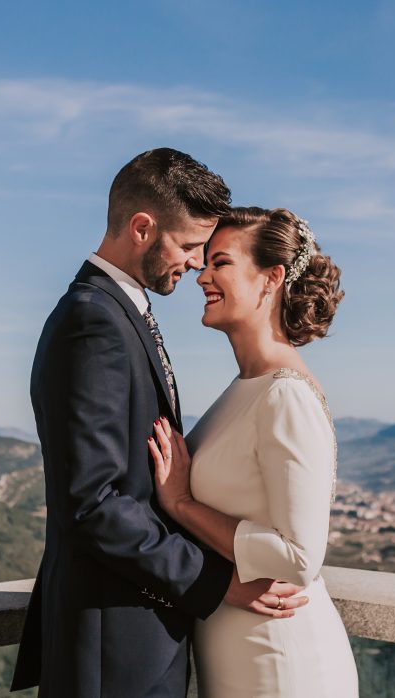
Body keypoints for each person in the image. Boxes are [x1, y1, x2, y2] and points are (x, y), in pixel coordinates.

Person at [10, 150, 308, 697]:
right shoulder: (93, 322)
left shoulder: (117, 315)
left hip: (135, 639)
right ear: (143, 228)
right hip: (113, 649)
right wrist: (219, 583)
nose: (198, 264)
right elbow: (94, 503)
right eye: (192, 246)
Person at [147, 206, 358, 697]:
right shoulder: (246, 387)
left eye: (220, 262)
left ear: (272, 278)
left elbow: (298, 557)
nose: (201, 276)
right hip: (239, 654)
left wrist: (182, 505)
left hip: (281, 663)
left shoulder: (285, 395)